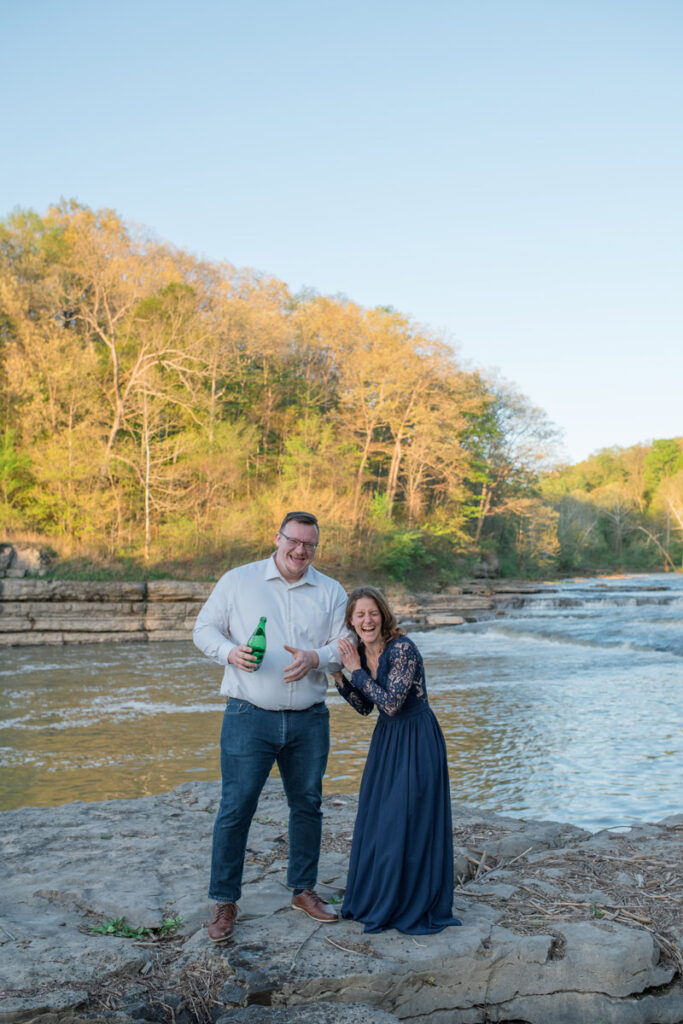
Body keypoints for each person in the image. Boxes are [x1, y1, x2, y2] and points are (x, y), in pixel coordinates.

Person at [193, 511, 350, 942]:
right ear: (277, 538)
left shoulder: (331, 590)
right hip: (249, 715)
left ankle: (303, 890)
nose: (300, 551)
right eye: (293, 542)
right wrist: (229, 652)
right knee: (235, 809)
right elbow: (202, 629)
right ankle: (225, 901)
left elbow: (345, 643)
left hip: (309, 719)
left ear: (316, 547)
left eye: (309, 545)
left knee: (308, 806)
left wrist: (316, 658)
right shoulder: (238, 581)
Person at [333, 586, 461, 934]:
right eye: (359, 615)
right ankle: (379, 898)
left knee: (408, 819)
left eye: (372, 612)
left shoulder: (403, 649)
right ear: (351, 622)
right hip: (387, 741)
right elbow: (366, 707)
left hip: (418, 739)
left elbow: (391, 703)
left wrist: (356, 671)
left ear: (384, 615)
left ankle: (411, 902)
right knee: (379, 820)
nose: (367, 620)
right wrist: (339, 677)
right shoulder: (360, 652)